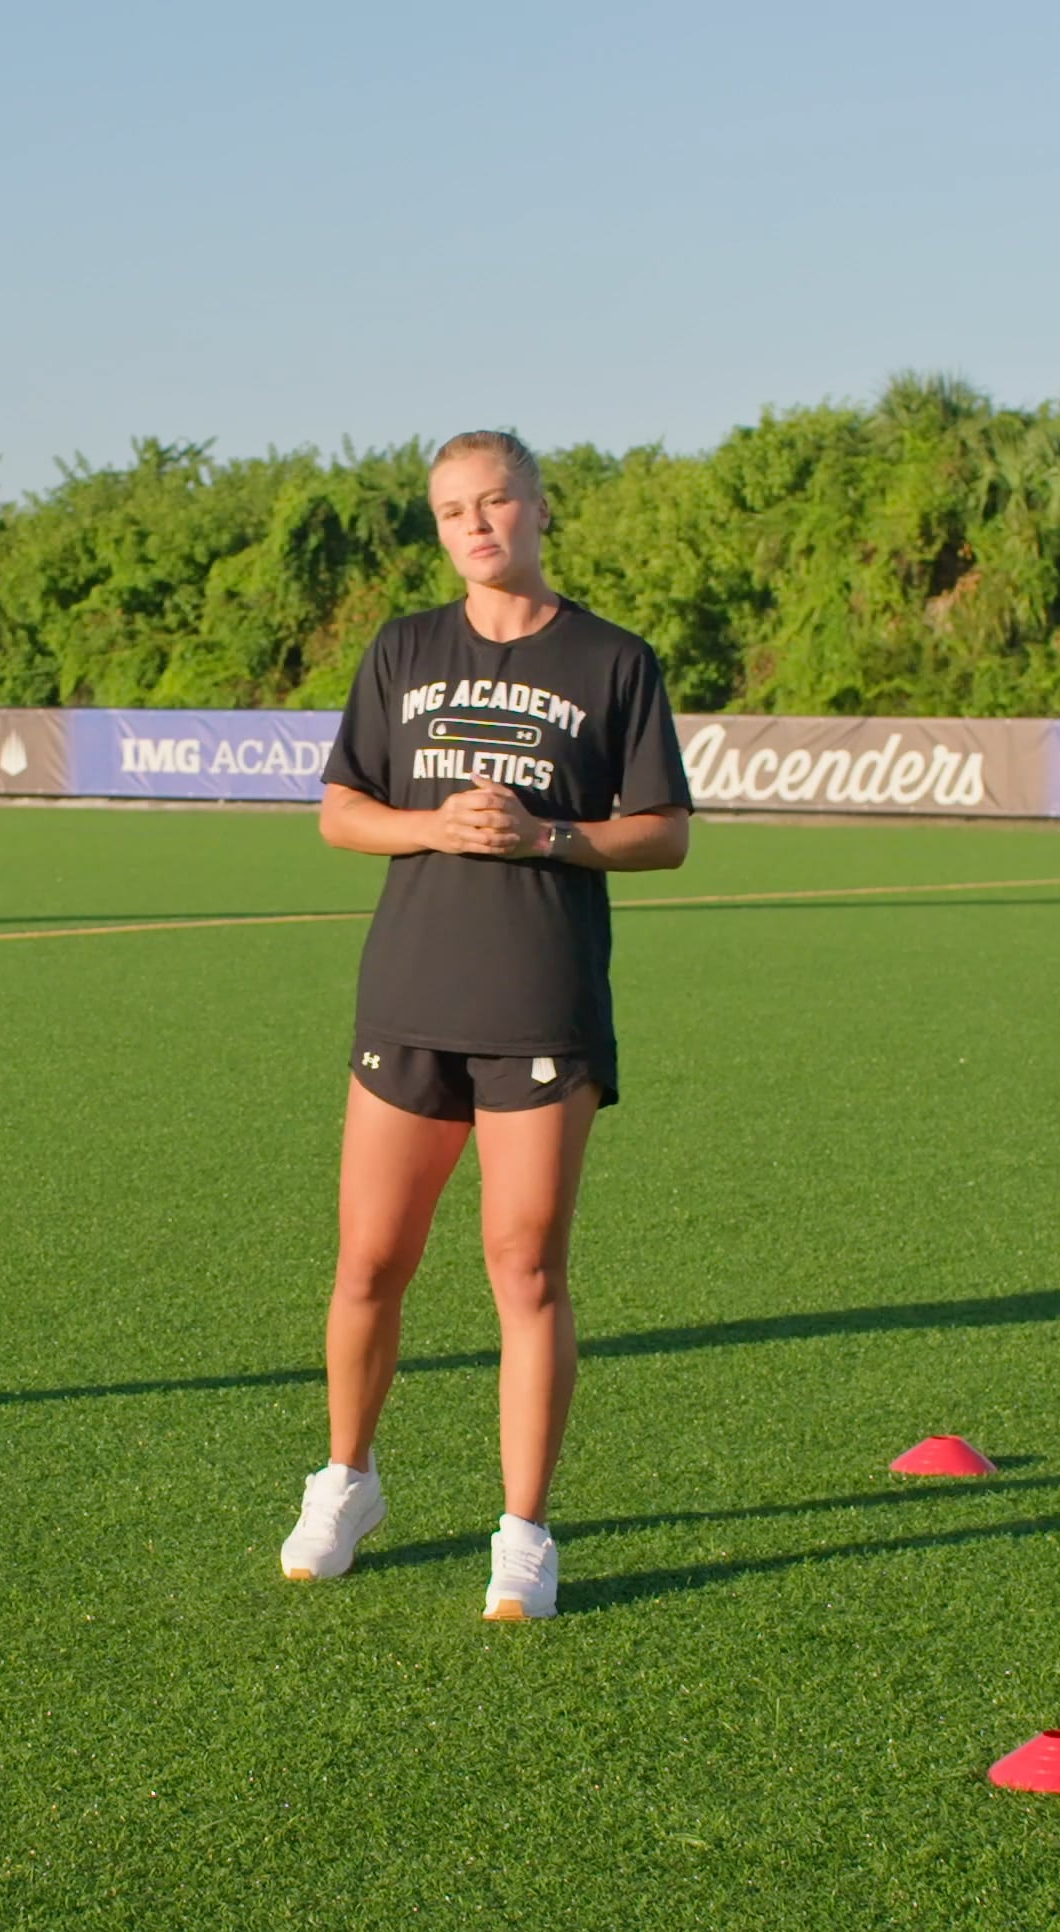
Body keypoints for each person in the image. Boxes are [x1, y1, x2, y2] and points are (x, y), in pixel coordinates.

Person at [279, 430, 693, 1619]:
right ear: (439, 528)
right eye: (453, 509)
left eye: (496, 500)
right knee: (369, 1262)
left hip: (540, 997)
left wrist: (549, 837)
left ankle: (524, 1531)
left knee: (525, 1269)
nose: (476, 523)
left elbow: (662, 830)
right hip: (409, 990)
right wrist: (432, 825)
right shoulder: (404, 648)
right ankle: (345, 1479)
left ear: (540, 506)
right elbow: (341, 812)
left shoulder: (614, 660)